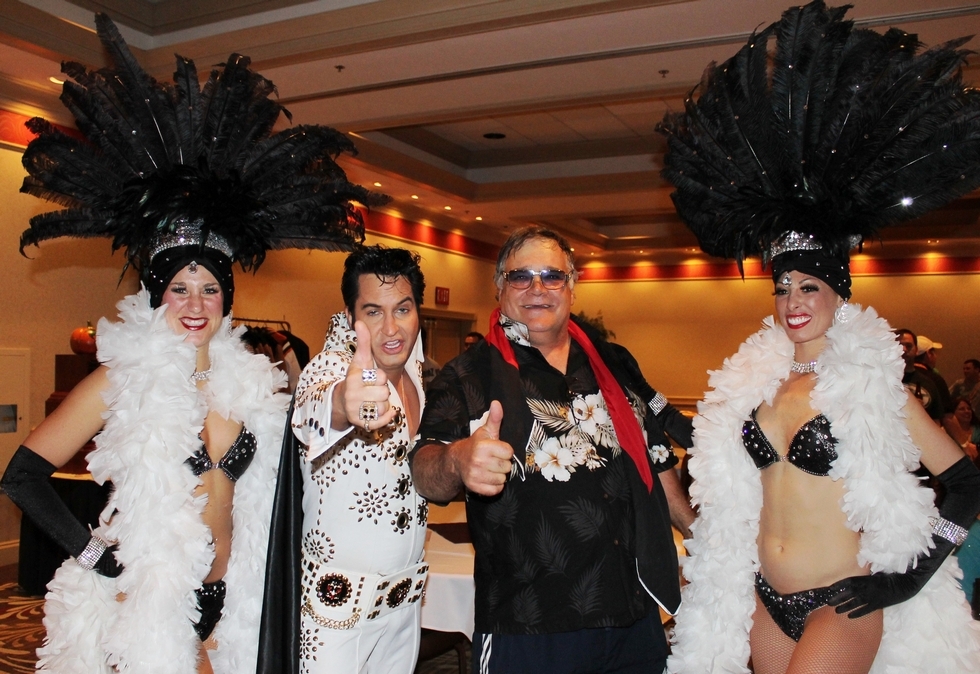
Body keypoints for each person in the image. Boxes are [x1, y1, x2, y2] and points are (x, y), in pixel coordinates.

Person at [0, 14, 377, 674]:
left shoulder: (252, 379)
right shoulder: (119, 380)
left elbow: (291, 472)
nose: (196, 304)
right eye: (179, 289)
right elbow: (22, 477)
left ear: (227, 295)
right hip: (148, 603)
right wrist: (96, 555)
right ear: (156, 296)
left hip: (236, 600)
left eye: (209, 288)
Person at [659, 2, 980, 672]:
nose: (794, 302)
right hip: (763, 598)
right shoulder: (753, 385)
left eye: (810, 287)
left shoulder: (874, 386)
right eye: (783, 287)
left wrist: (908, 579)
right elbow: (719, 478)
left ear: (839, 293)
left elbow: (966, 485)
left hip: (843, 599)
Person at [410, 226, 696, 674]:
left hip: (633, 615)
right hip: (528, 626)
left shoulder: (614, 362)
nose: (537, 288)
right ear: (500, 286)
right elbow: (424, 470)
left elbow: (655, 459)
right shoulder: (469, 374)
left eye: (552, 276)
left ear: (572, 286)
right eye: (521, 276)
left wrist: (701, 535)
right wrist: (456, 460)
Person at [257, 245, 428, 674]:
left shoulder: (415, 371)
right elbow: (314, 408)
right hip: (335, 622)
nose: (391, 328)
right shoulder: (330, 368)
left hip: (403, 611)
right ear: (350, 315)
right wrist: (343, 404)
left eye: (402, 309)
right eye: (373, 312)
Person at [895, 329, 944, 422]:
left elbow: (936, 421)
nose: (904, 349)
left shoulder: (929, 383)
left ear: (916, 350)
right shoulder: (880, 381)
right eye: (899, 345)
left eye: (909, 346)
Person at [944, 398, 980, 463]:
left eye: (969, 409)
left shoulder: (978, 429)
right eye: (961, 409)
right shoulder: (946, 433)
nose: (967, 411)